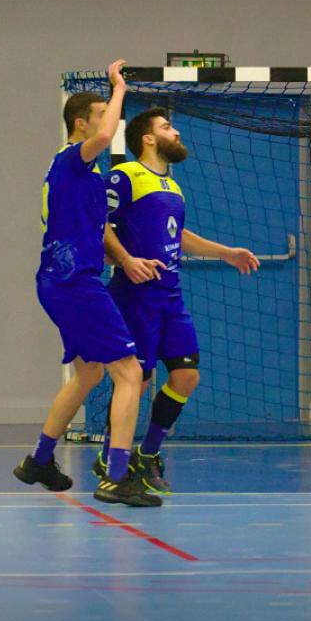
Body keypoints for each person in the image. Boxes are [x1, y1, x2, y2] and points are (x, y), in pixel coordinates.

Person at [14, 60, 158, 507]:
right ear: (81, 123)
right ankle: (117, 475)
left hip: (61, 281)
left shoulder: (84, 175)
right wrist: (119, 90)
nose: (106, 125)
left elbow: (95, 231)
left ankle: (39, 460)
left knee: (90, 371)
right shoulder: (73, 160)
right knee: (129, 372)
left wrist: (126, 258)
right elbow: (106, 134)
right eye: (100, 116)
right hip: (73, 282)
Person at [99, 107, 261, 494]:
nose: (177, 133)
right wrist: (126, 260)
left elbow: (179, 235)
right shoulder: (125, 175)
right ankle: (110, 457)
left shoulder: (172, 185)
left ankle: (148, 454)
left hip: (170, 296)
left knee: (186, 375)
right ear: (148, 138)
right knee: (136, 381)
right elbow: (98, 223)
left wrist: (226, 252)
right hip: (135, 295)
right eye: (168, 127)